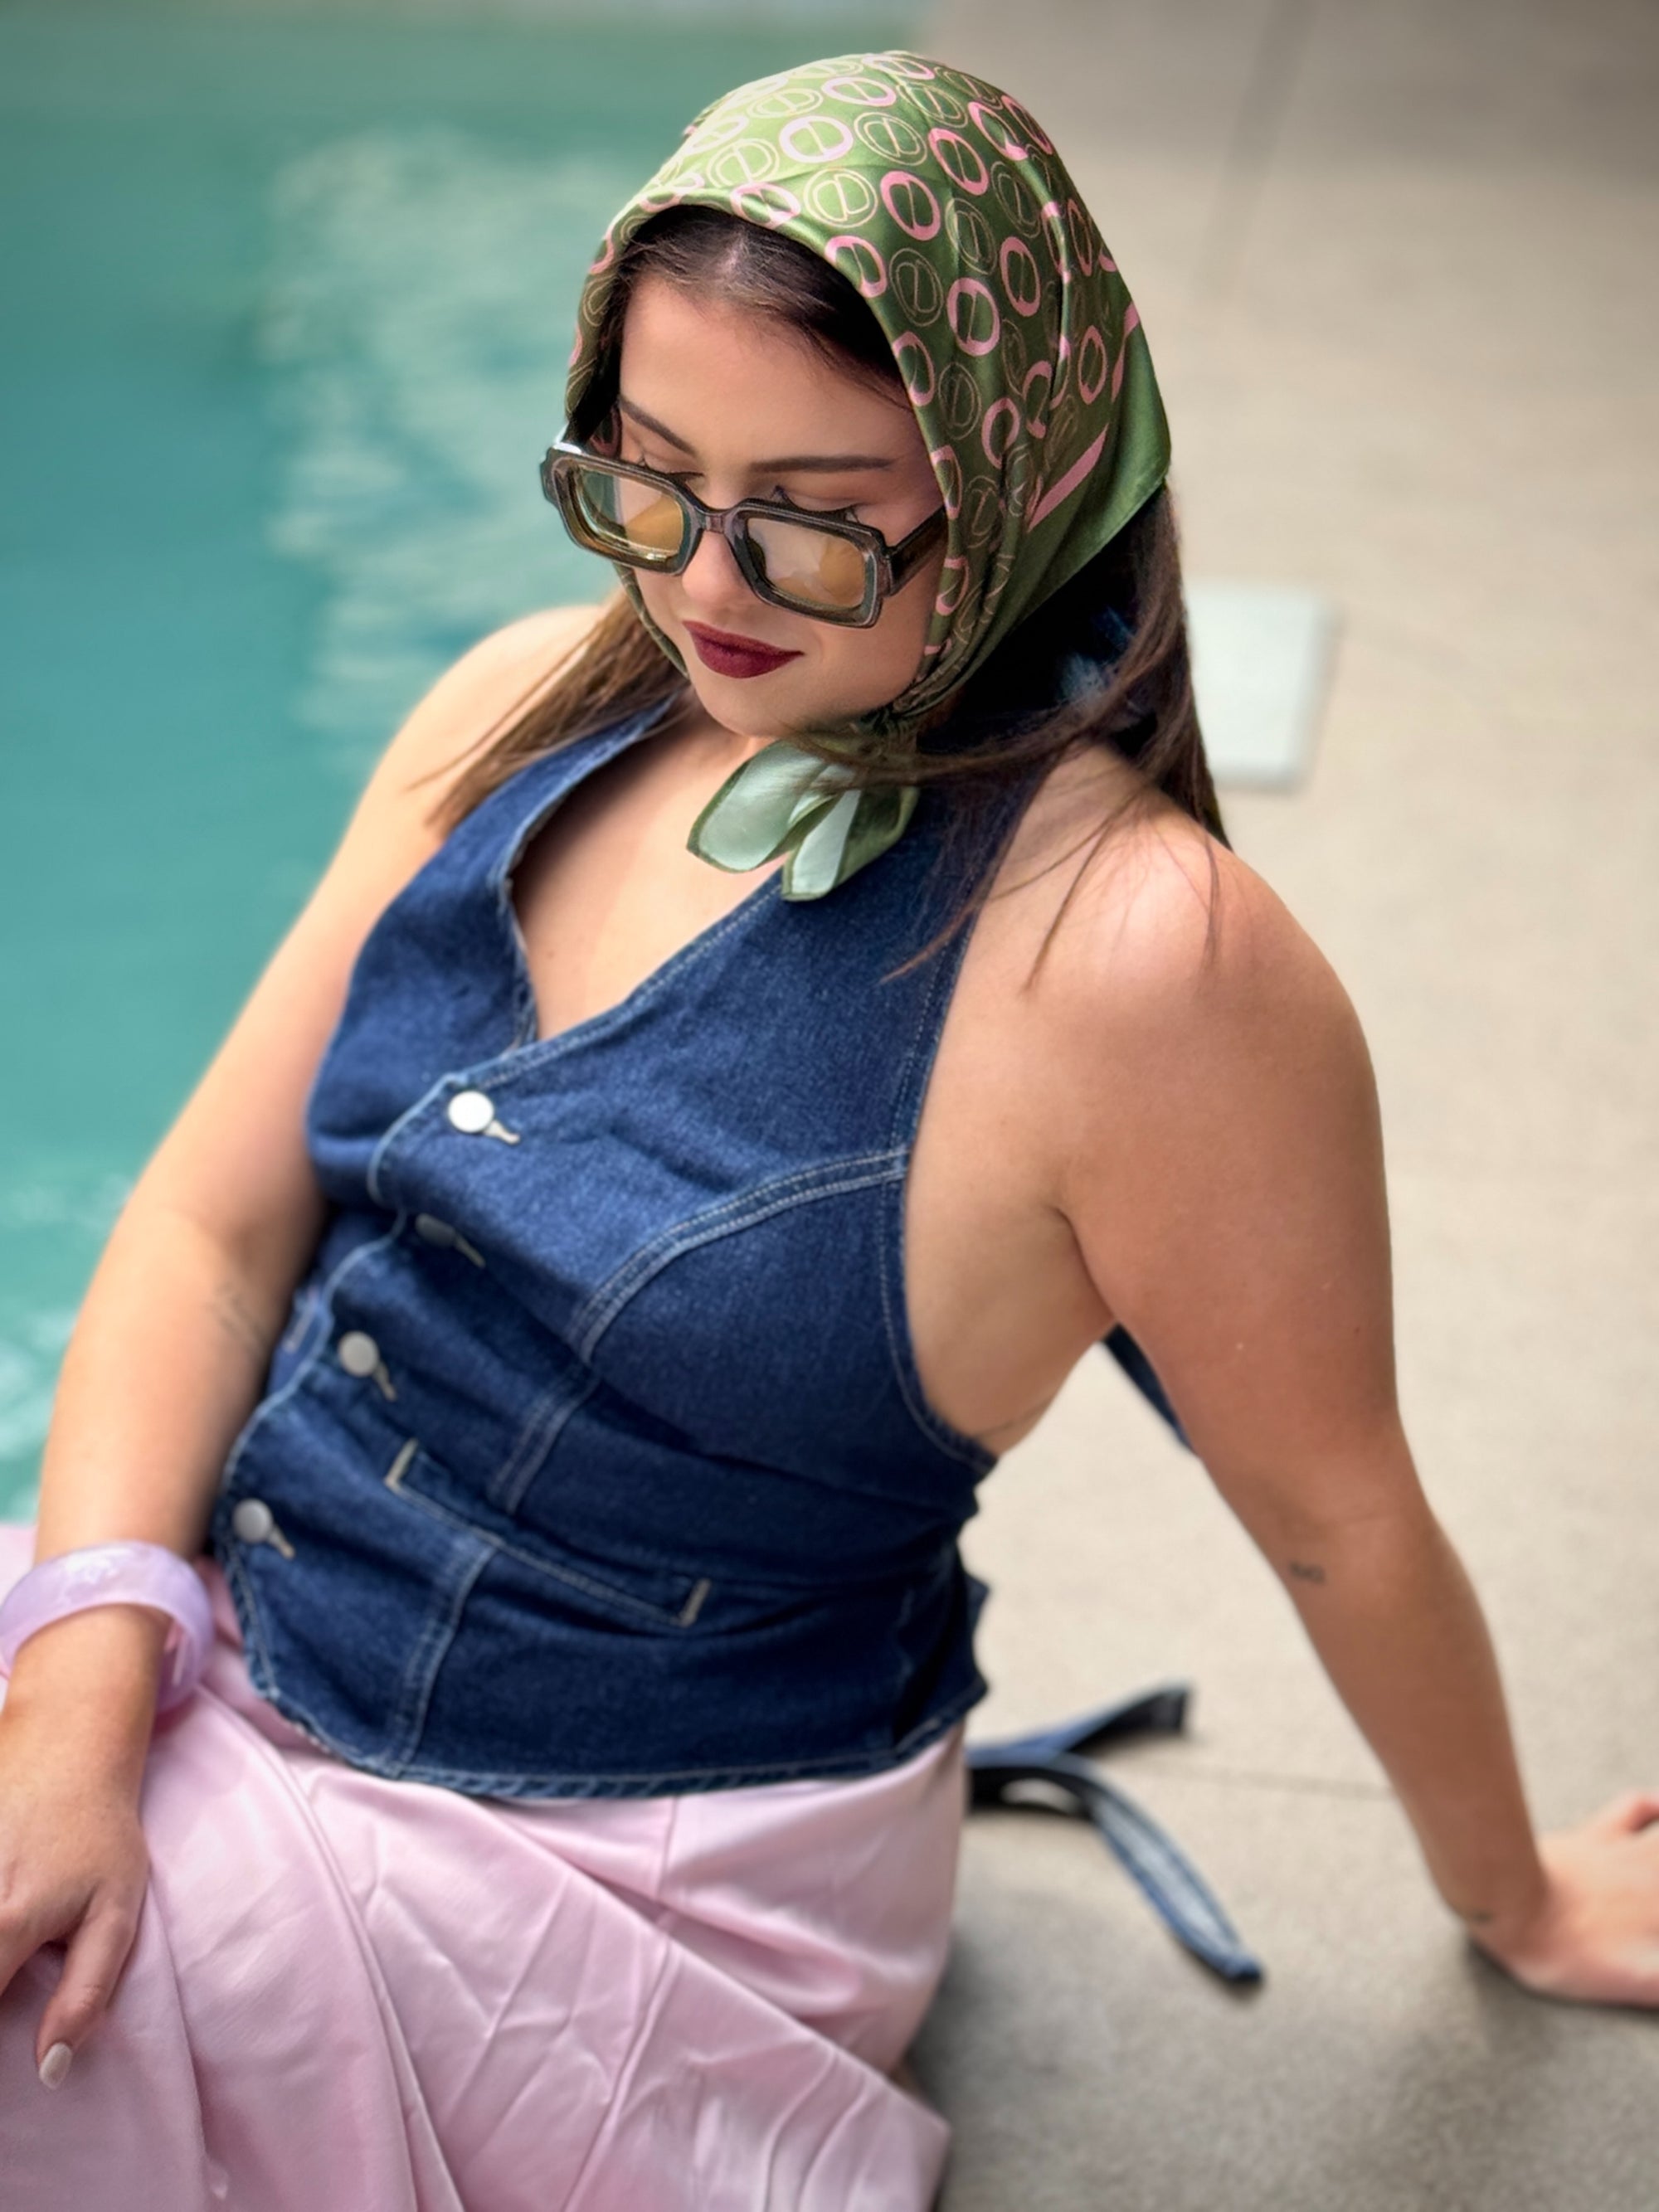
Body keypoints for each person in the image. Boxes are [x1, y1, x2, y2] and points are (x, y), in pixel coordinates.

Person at [1, 46, 1656, 2211]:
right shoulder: (525, 703)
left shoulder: (1139, 971)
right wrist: (83, 1692)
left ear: (1027, 465)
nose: (704, 581)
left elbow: (1335, 1507)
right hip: (217, 1642)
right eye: (647, 473)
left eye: (809, 508)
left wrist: (1513, 1889)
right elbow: (216, 1232)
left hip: (615, 1856)